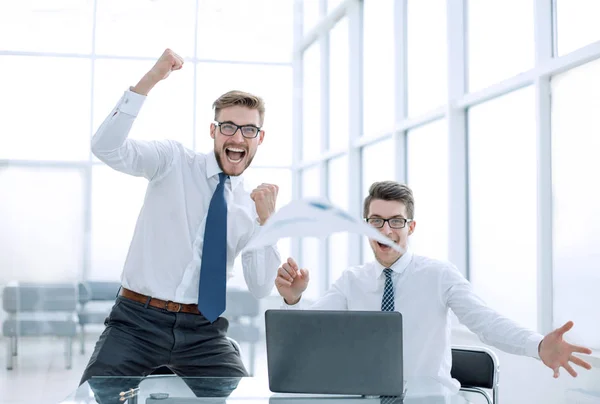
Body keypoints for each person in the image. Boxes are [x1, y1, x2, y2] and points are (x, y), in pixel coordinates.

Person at [80, 49, 281, 401]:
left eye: (248, 129)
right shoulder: (172, 161)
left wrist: (268, 223)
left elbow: (261, 286)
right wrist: (150, 79)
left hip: (204, 332)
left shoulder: (252, 207)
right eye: (228, 127)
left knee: (243, 398)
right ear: (213, 130)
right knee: (100, 395)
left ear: (259, 138)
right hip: (136, 323)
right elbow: (106, 147)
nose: (237, 137)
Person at [275, 180, 592, 392]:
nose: (386, 230)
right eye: (376, 221)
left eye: (396, 221)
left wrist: (537, 345)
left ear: (410, 227)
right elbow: (308, 336)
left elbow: (486, 322)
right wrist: (293, 300)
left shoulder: (439, 275)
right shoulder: (351, 281)